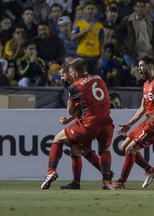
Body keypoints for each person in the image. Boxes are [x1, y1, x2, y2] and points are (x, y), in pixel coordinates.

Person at [41, 58, 114, 190]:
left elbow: (70, 110)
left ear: (74, 73)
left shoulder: (75, 86)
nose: (65, 76)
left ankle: (50, 171)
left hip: (89, 124)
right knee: (83, 149)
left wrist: (71, 102)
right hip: (107, 122)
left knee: (58, 139)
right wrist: (70, 120)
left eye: (67, 73)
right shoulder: (98, 78)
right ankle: (105, 180)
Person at [110, 53, 154, 189]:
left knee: (130, 149)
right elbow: (142, 107)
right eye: (138, 66)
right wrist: (129, 124)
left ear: (150, 66)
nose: (139, 69)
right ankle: (149, 170)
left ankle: (121, 182)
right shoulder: (146, 84)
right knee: (123, 147)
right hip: (148, 121)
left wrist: (151, 116)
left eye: (142, 66)